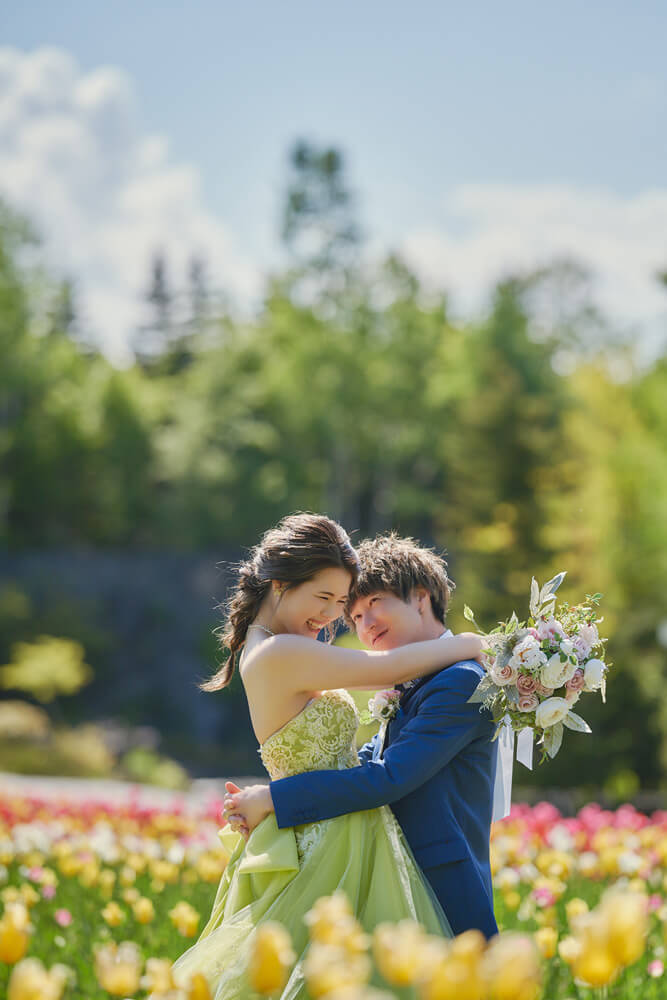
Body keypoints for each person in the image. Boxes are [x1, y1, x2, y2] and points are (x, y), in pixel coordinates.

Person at [172, 514, 484, 999]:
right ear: (279, 584)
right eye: (327, 600)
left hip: (340, 823)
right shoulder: (280, 653)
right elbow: (388, 668)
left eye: (342, 604)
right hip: (330, 835)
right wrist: (477, 646)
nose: (332, 617)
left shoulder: (275, 646)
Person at [225, 533, 499, 940]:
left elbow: (388, 775)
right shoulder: (284, 651)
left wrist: (273, 798)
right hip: (358, 858)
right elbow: (384, 689)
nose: (362, 624)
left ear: (421, 598)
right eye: (351, 615)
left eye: (373, 604)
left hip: (433, 876)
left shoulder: (461, 680)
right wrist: (469, 643)